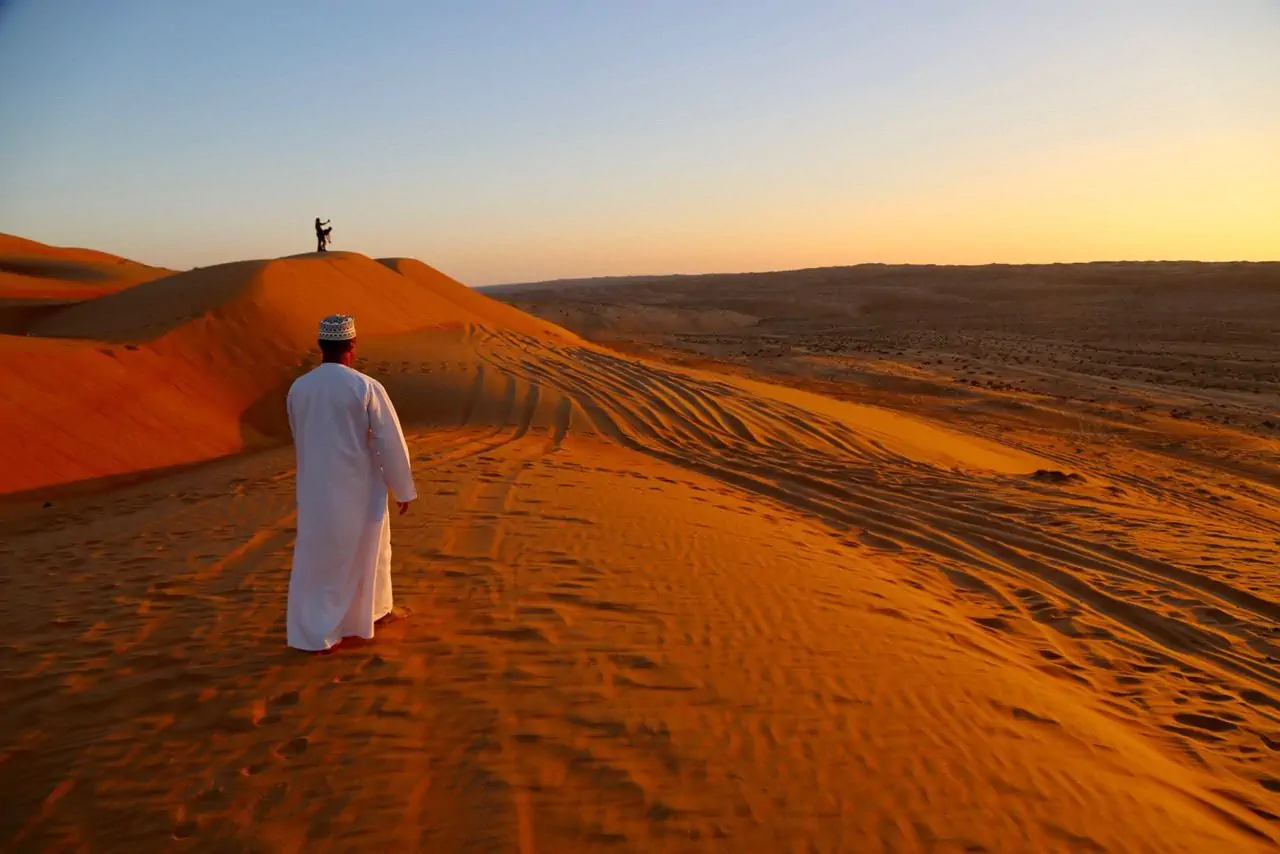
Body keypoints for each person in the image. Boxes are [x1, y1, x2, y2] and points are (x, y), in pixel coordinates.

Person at [285, 314, 416, 651]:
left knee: (320, 556)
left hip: (314, 490)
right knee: (371, 550)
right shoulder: (365, 386)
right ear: (352, 346)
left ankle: (333, 622)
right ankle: (364, 617)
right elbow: (391, 440)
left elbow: (299, 434)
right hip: (360, 488)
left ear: (321, 346)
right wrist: (403, 488)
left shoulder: (299, 388)